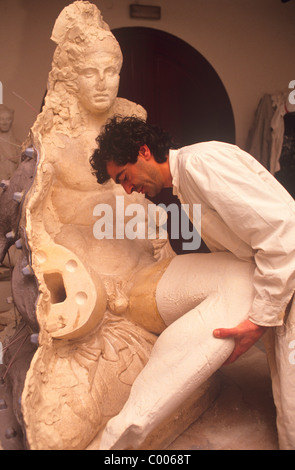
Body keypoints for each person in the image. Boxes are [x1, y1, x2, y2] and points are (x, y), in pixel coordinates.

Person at [90, 115, 295, 449]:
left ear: (143, 151)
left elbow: (283, 233)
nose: (128, 189)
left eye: (124, 177)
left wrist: (259, 319)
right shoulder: (185, 185)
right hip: (280, 275)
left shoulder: (202, 165)